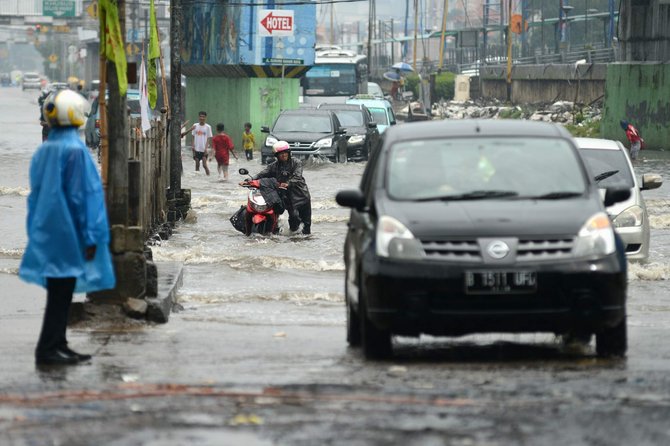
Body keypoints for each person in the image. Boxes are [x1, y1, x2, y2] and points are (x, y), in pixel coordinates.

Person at [19, 89, 116, 366]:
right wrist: (89, 236)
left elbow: (38, 194)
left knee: (58, 289)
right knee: (62, 292)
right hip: (71, 232)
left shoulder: (45, 150)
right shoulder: (75, 150)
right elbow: (81, 197)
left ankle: (59, 344)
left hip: (48, 231)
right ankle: (49, 349)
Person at [245, 141, 312, 235]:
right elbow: (263, 173)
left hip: (301, 196)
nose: (284, 155)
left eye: (285, 152)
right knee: (294, 219)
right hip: (287, 197)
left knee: (307, 224)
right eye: (281, 153)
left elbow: (297, 176)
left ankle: (306, 241)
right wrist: (251, 179)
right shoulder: (273, 166)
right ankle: (292, 238)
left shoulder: (296, 162)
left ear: (289, 153)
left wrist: (288, 183)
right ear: (277, 155)